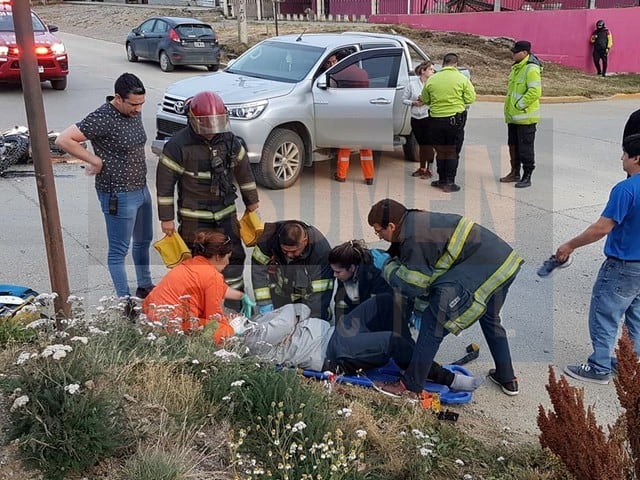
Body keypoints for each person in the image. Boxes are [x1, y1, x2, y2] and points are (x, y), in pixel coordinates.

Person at [367, 198, 524, 397]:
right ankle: (506, 376)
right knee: (490, 318)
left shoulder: (414, 238)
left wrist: (386, 267)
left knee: (433, 326)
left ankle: (410, 386)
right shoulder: (415, 219)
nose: (378, 236)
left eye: (378, 230)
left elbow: (412, 285)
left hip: (482, 267)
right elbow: (435, 272)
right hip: (505, 264)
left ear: (391, 226)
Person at [220, 295, 484, 392]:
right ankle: (446, 378)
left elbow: (299, 309)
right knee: (391, 343)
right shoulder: (250, 340)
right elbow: (292, 314)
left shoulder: (258, 322)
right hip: (330, 352)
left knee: (384, 303)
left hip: (334, 332)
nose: (235, 316)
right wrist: (293, 319)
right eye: (231, 318)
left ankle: (410, 358)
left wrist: (293, 319)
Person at [156, 91, 259, 309]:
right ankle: (198, 311)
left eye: (216, 123)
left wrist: (252, 202)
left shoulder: (231, 142)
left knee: (233, 257)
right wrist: (166, 219)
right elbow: (165, 185)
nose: (211, 129)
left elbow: (245, 174)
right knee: (198, 264)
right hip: (194, 217)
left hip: (225, 214)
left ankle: (235, 307)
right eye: (206, 124)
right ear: (192, 118)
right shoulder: (177, 145)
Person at [55, 73, 154, 301]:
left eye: (142, 104)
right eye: (134, 104)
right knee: (119, 250)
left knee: (143, 240)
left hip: (141, 188)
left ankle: (145, 285)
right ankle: (124, 301)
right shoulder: (103, 117)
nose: (138, 109)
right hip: (118, 193)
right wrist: (94, 160)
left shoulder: (132, 111)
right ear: (118, 98)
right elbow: (64, 139)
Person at [557, 134, 640, 385]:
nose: (622, 158)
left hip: (623, 265)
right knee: (636, 316)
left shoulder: (626, 189)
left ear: (637, 158)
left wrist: (569, 245)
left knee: (605, 314)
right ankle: (631, 364)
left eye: (625, 154)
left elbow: (602, 228)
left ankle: (599, 366)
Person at [143, 229, 255, 332]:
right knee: (223, 330)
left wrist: (241, 296)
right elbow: (213, 318)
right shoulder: (212, 276)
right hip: (172, 325)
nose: (227, 263)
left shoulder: (194, 263)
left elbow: (217, 287)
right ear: (217, 256)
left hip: (152, 315)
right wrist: (233, 329)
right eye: (227, 257)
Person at [252, 220, 334, 320]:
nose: (289, 255)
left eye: (294, 251)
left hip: (306, 296)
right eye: (285, 251)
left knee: (316, 316)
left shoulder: (321, 251)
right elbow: (258, 270)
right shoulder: (269, 238)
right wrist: (264, 303)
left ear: (305, 241)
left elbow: (321, 291)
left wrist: (313, 317)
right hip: (281, 290)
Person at [420, 53, 476, 193]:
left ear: (443, 63)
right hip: (454, 122)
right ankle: (449, 182)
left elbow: (425, 99)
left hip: (435, 121)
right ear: (456, 64)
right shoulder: (462, 79)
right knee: (452, 151)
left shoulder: (432, 80)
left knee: (440, 151)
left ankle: (442, 179)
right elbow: (470, 98)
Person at [327, 51, 375, 185]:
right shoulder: (363, 73)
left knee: (345, 147)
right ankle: (369, 176)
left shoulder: (337, 73)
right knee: (366, 148)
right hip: (364, 113)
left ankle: (341, 175)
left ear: (341, 61)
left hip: (347, 114)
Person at [499, 40, 542, 189]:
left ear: (524, 53)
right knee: (513, 147)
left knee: (525, 149)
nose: (513, 54)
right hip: (513, 117)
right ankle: (514, 172)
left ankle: (527, 175)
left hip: (525, 118)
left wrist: (519, 105)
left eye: (515, 52)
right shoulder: (516, 68)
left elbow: (535, 91)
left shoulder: (531, 69)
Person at [402, 61, 436, 179]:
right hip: (416, 117)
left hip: (428, 116)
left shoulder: (433, 84)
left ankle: (430, 169)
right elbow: (404, 99)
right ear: (423, 71)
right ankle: (422, 167)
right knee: (421, 144)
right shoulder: (412, 84)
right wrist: (413, 102)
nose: (433, 71)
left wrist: (426, 101)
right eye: (431, 69)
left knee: (428, 144)